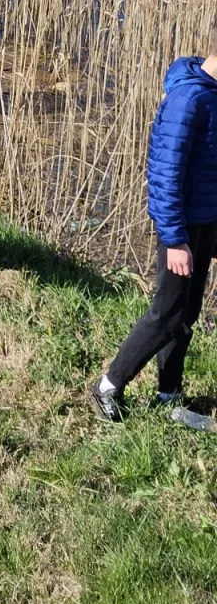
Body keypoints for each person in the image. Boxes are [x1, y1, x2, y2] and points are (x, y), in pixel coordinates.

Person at [90, 38, 217, 420]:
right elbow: (165, 175)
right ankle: (107, 386)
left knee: (187, 312)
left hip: (204, 222)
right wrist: (176, 239)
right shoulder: (188, 100)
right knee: (166, 313)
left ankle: (169, 395)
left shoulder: (212, 96)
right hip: (181, 229)